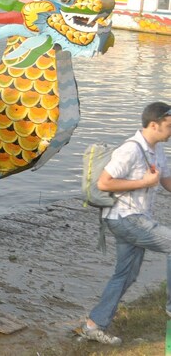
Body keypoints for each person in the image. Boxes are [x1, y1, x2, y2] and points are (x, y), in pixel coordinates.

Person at [77, 102, 171, 346]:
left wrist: (152, 181)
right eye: (169, 126)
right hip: (124, 218)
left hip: (137, 219)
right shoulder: (130, 150)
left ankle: (94, 325)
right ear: (154, 124)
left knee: (126, 275)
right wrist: (143, 182)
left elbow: (167, 182)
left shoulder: (158, 150)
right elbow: (103, 183)